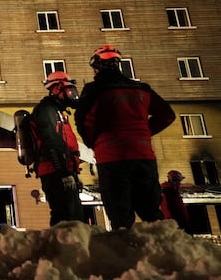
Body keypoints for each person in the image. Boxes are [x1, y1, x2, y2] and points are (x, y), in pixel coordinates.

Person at [75, 45, 176, 231]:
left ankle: (127, 255)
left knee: (120, 215)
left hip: (112, 158)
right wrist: (144, 132)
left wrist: (95, 143)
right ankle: (164, 254)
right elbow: (167, 115)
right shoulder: (142, 89)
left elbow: (84, 121)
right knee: (152, 212)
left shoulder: (94, 90)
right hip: (144, 156)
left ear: (97, 67)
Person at [31, 71, 85, 225]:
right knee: (64, 216)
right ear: (56, 89)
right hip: (54, 172)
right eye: (69, 90)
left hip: (63, 171)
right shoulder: (46, 111)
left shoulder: (57, 112)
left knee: (74, 216)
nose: (72, 95)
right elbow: (52, 141)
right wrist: (64, 173)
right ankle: (60, 248)